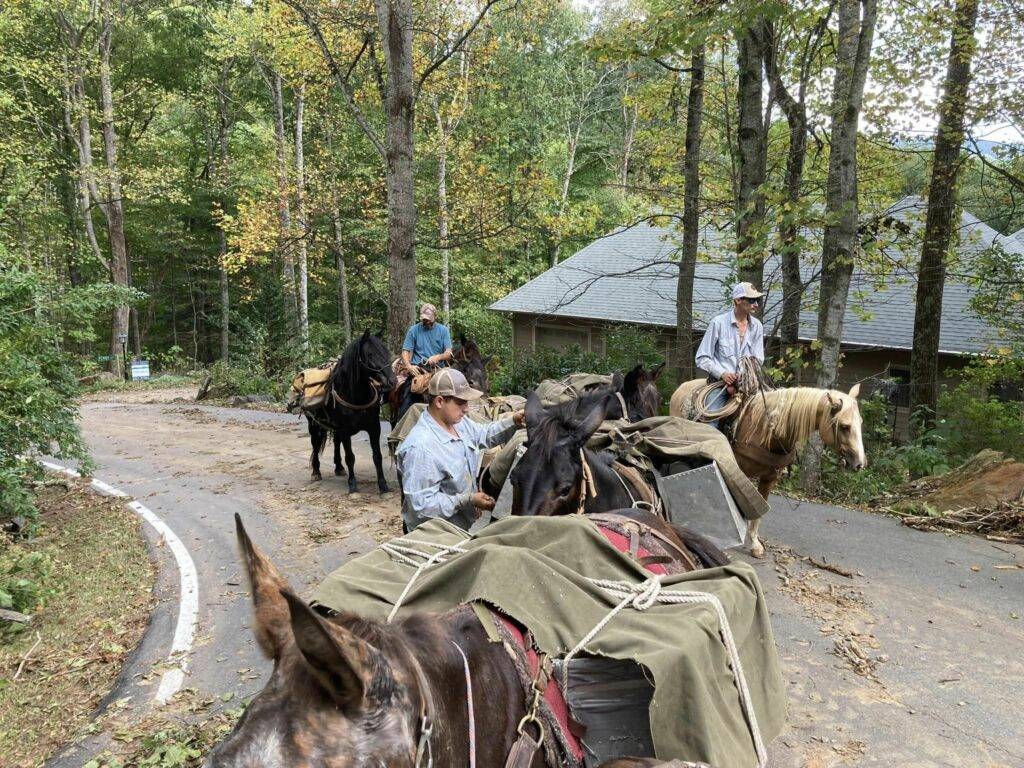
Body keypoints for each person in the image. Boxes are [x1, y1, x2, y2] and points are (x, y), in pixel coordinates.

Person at [397, 368, 526, 532]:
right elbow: (422, 506)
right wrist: (468, 500)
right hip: (433, 534)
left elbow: (483, 434)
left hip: (458, 527)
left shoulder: (458, 423)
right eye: (460, 403)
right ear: (439, 401)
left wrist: (513, 421)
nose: (466, 409)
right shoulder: (421, 448)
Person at [695, 281, 765, 429]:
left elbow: (758, 358)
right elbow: (702, 357)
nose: (756, 304)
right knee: (710, 424)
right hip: (719, 384)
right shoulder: (718, 323)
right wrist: (722, 374)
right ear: (738, 300)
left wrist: (743, 376)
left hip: (747, 384)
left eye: (757, 300)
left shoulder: (757, 326)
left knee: (769, 415)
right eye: (752, 300)